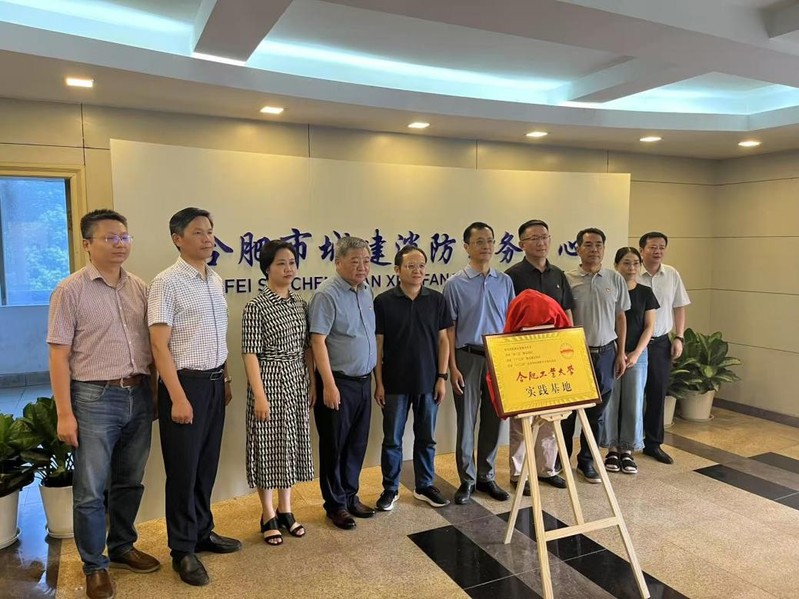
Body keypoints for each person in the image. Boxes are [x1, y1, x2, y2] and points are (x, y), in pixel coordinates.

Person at [48, 209, 159, 599]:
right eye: (110, 238)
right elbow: (58, 356)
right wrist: (65, 413)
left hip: (139, 393)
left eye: (124, 237)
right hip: (94, 397)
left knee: (130, 480)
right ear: (87, 244)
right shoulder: (69, 290)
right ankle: (95, 566)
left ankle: (123, 546)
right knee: (91, 490)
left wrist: (155, 395)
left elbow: (153, 346)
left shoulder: (139, 287)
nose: (120, 244)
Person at [148, 207, 241, 587]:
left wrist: (226, 378)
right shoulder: (166, 282)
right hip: (184, 385)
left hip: (215, 383)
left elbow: (216, 335)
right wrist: (177, 397)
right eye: (199, 232)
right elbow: (159, 345)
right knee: (183, 472)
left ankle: (202, 531)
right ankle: (182, 549)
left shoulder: (214, 280)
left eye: (210, 231)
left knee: (206, 465)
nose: (208, 238)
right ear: (177, 238)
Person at [242, 240, 315, 545]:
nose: (288, 269)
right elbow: (250, 353)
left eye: (292, 263)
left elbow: (307, 348)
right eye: (281, 263)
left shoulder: (300, 304)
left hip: (296, 379)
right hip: (269, 379)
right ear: (267, 268)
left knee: (291, 444)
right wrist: (259, 395)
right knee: (268, 447)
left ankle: (286, 509)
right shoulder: (255, 306)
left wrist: (311, 382)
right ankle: (268, 513)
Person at [373, 246, 452, 511]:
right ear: (397, 270)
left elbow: (443, 341)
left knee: (426, 438)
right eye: (410, 266)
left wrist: (442, 377)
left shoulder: (436, 300)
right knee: (392, 440)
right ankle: (390, 489)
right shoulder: (383, 302)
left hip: (428, 382)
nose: (417, 271)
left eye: (421, 266)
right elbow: (378, 345)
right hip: (394, 383)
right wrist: (379, 383)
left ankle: (424, 485)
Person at [443, 221, 515, 505]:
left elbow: (511, 322)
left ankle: (486, 476)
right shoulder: (454, 284)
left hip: (498, 356)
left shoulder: (504, 281)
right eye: (479, 242)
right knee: (467, 420)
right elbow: (449, 329)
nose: (486, 246)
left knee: (494, 419)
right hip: (467, 357)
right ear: (466, 247)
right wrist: (452, 367)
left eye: (490, 241)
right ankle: (467, 479)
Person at [309, 236, 377, 530]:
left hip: (363, 382)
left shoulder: (366, 290)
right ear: (338, 262)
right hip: (338, 381)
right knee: (334, 446)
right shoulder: (327, 294)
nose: (362, 267)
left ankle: (350, 496)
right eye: (355, 261)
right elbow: (317, 341)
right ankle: (335, 505)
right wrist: (328, 384)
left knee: (356, 444)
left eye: (366, 261)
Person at [505, 219, 574, 494]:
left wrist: (572, 346)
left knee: (550, 417)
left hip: (555, 356)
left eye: (544, 236)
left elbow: (567, 311)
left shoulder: (558, 275)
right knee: (522, 419)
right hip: (525, 357)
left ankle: (547, 469)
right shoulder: (512, 276)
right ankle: (518, 473)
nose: (541, 242)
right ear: (521, 243)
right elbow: (507, 318)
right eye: (534, 238)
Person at [563, 228, 629, 483]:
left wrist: (621, 353)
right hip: (575, 355)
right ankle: (561, 461)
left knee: (597, 414)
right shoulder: (567, 278)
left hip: (606, 353)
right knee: (569, 412)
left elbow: (620, 317)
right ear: (578, 248)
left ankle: (587, 462)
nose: (594, 250)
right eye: (588, 245)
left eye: (599, 245)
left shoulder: (614, 279)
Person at [601, 248, 659, 475]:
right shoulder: (608, 290)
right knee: (611, 402)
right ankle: (611, 449)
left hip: (638, 355)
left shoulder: (646, 293)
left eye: (636, 263)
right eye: (626, 263)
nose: (631, 268)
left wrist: (635, 353)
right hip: (611, 353)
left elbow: (649, 327)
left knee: (633, 402)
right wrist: (617, 352)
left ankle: (628, 450)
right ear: (616, 265)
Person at [637, 231, 691, 465]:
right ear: (642, 250)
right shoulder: (631, 272)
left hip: (660, 343)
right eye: (652, 247)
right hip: (634, 345)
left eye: (661, 247)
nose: (657, 251)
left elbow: (679, 306)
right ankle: (626, 445)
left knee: (657, 394)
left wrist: (679, 337)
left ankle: (653, 444)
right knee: (632, 396)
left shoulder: (672, 274)